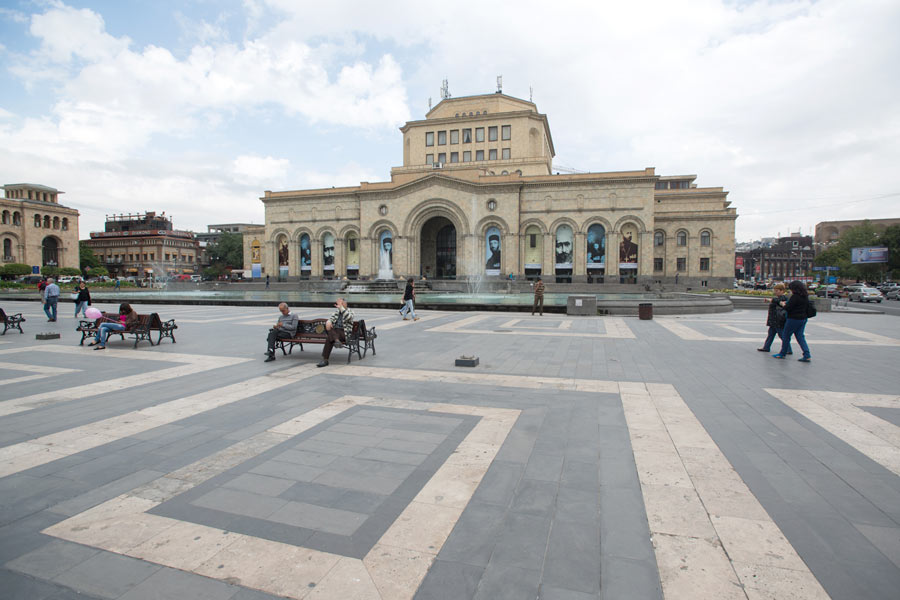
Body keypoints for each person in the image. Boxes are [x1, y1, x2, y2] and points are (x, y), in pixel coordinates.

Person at [773, 280, 812, 362]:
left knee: (786, 335)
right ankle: (807, 354)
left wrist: (783, 304)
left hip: (793, 319)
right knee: (800, 337)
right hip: (803, 319)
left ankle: (782, 353)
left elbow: (788, 308)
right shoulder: (805, 296)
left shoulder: (795, 297)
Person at [317, 298, 354, 367]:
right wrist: (329, 322)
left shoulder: (350, 312)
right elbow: (332, 318)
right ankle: (337, 341)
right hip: (335, 332)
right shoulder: (336, 312)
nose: (340, 305)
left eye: (342, 304)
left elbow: (348, 317)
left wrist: (341, 308)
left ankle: (325, 360)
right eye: (340, 304)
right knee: (329, 328)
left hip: (344, 333)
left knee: (329, 338)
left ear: (346, 304)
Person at [757, 283, 788, 353]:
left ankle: (788, 349)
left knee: (781, 335)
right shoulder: (778, 298)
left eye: (777, 290)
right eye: (775, 290)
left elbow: (777, 301)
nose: (775, 292)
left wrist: (770, 300)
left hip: (778, 320)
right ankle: (766, 347)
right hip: (773, 320)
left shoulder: (783, 298)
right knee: (771, 334)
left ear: (782, 291)